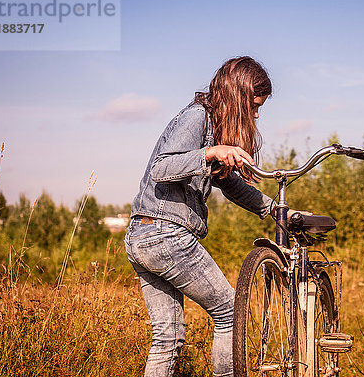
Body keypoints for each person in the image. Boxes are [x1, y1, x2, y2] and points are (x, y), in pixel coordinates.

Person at [125, 56, 298, 377]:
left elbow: (230, 184)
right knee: (230, 312)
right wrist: (209, 152)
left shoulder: (213, 128)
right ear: (237, 97)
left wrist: (276, 210)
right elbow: (161, 168)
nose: (257, 114)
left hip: (143, 237)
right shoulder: (197, 119)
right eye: (254, 106)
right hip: (165, 235)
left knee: (168, 338)